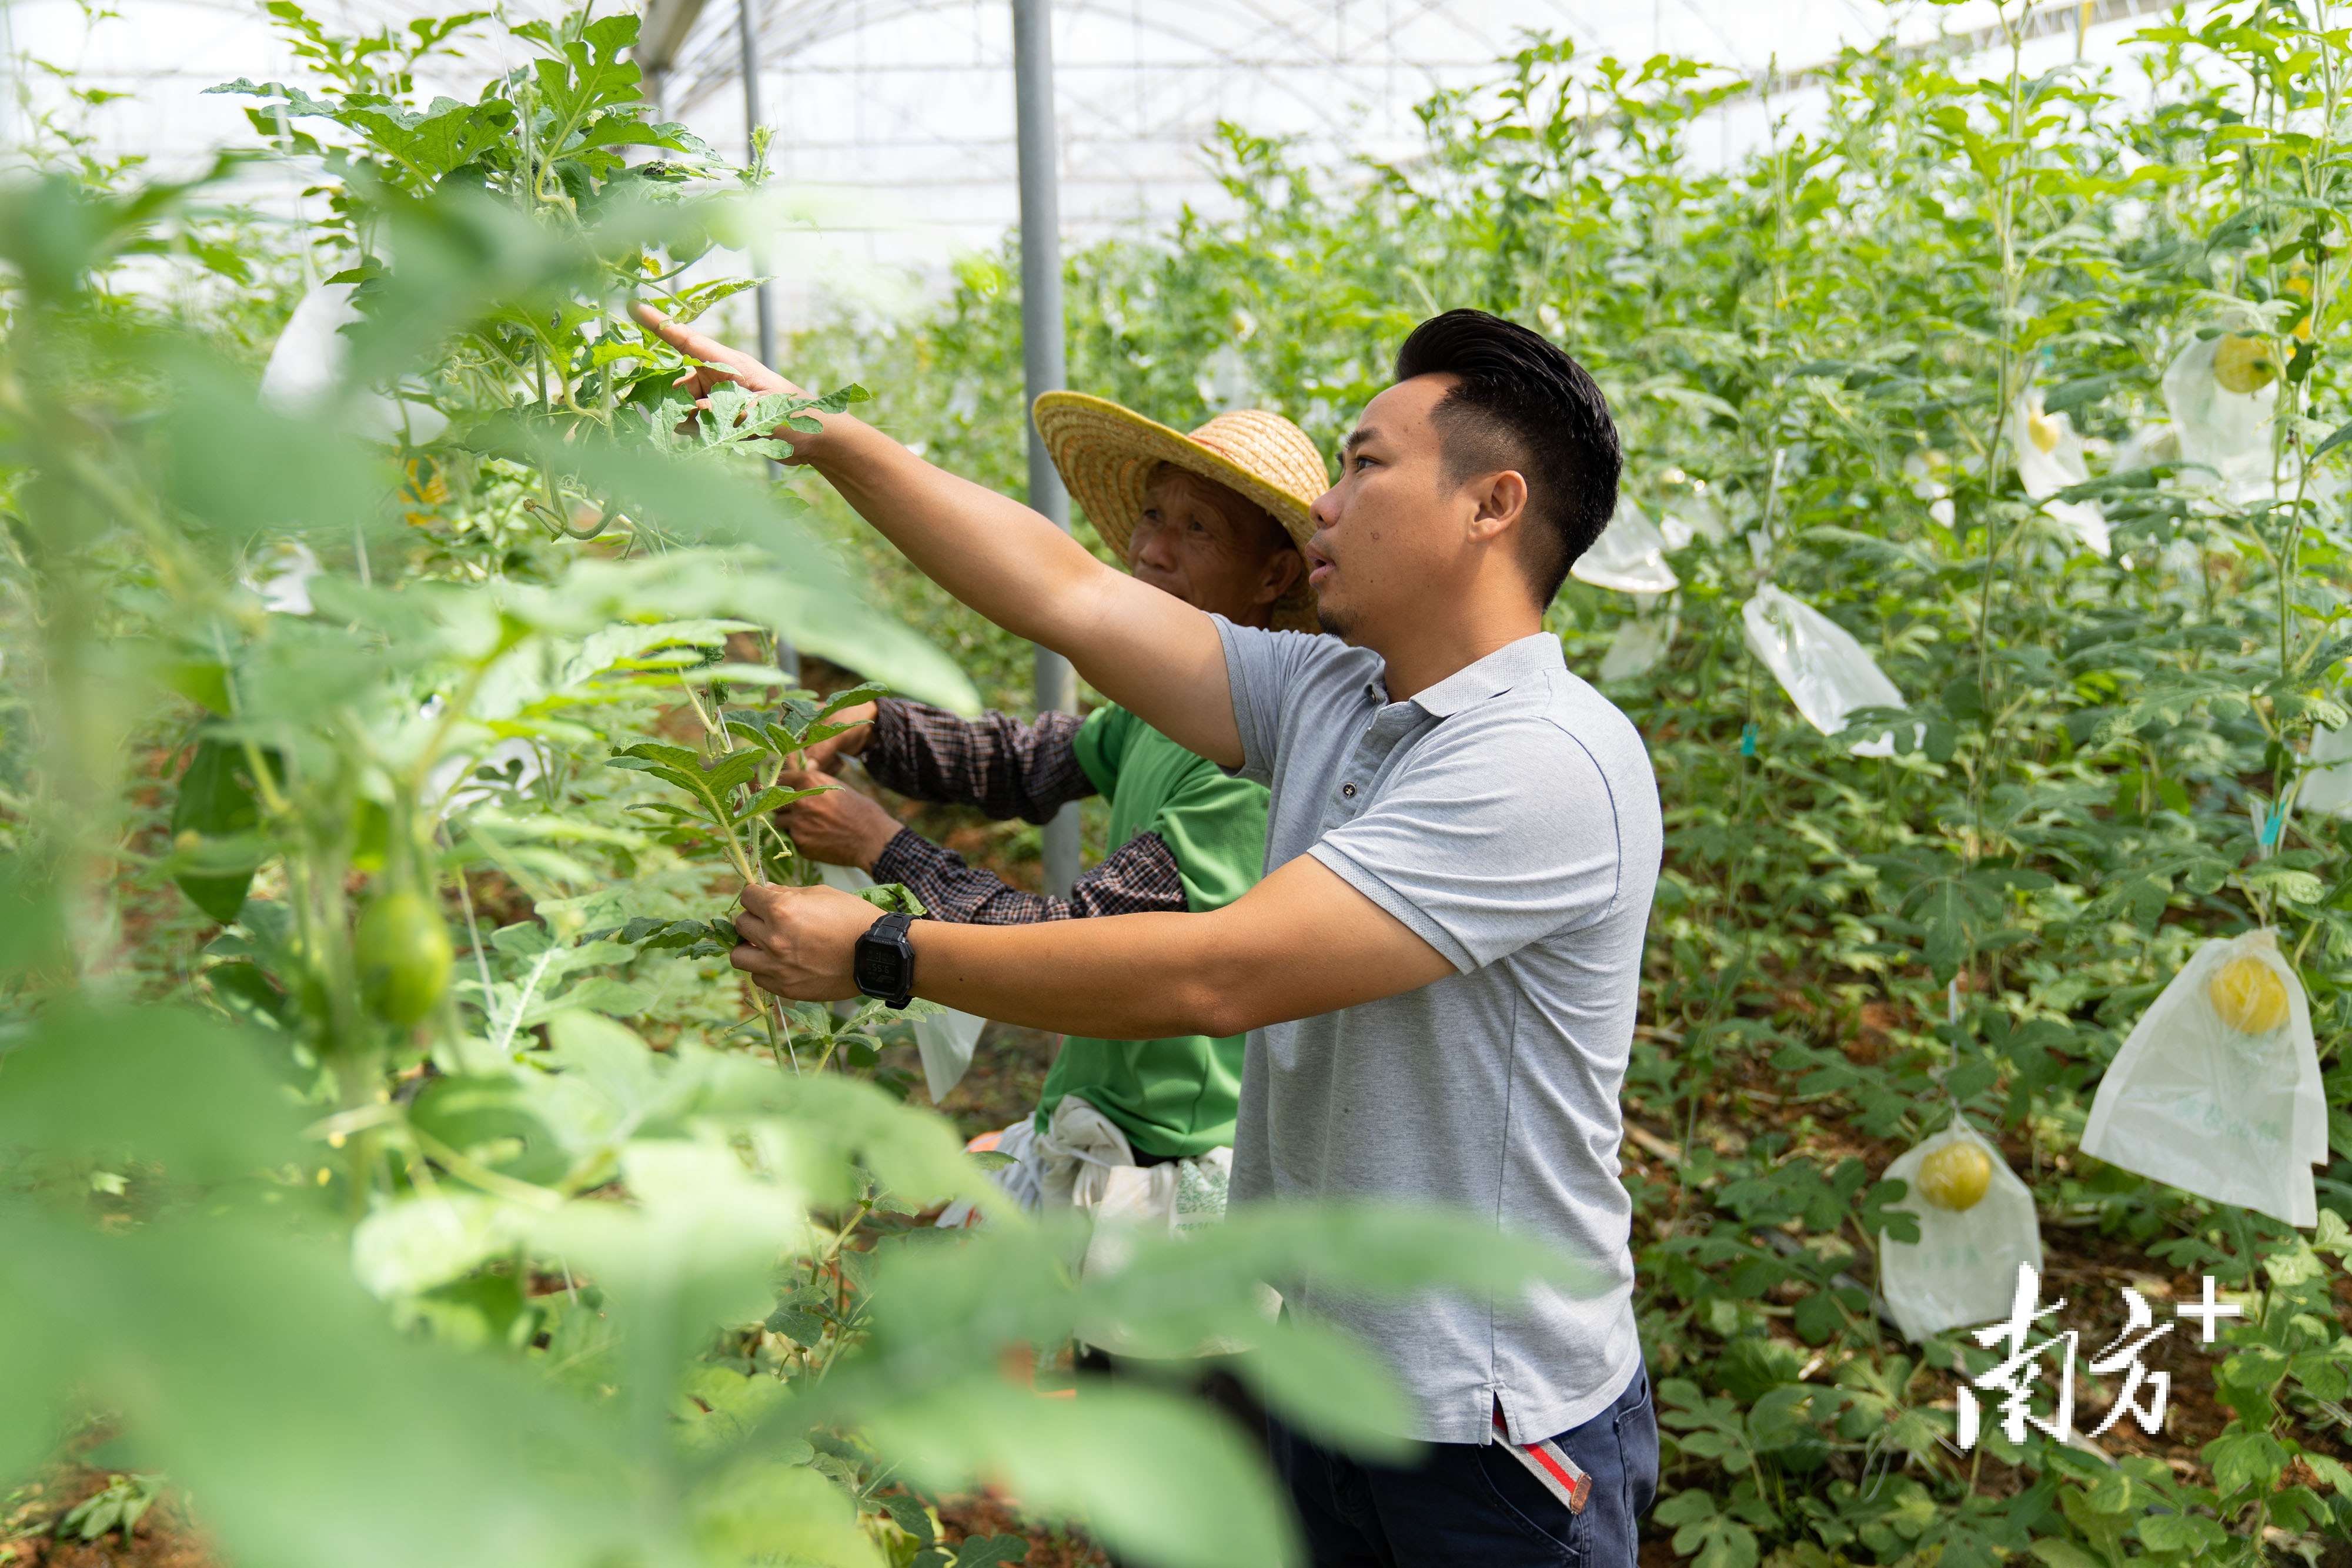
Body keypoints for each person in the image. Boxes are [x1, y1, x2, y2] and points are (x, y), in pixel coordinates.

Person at [637, 301, 1663, 1567]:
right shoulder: (1331, 696)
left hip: (1486, 1425)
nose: (1327, 505)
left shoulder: (1543, 761)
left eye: (1362, 463)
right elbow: (1063, 591)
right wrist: (815, 432)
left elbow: (1213, 969)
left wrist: (884, 947)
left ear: (1489, 504)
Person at [770, 400, 1325, 1224]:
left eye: (1197, 530)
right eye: (1151, 515)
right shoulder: (1165, 706)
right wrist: (877, 725)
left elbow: (1075, 945)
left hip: (1177, 1174)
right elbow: (1026, 763)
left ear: (1275, 577)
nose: (1152, 550)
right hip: (1097, 1121)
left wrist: (881, 848)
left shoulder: (1248, 770)